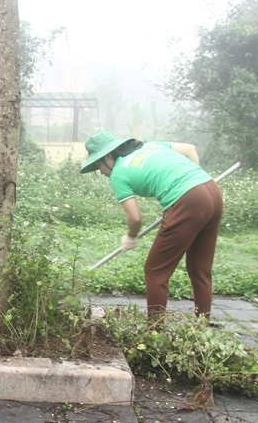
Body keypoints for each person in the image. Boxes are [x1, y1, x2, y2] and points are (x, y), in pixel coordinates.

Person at [81, 131, 224, 322]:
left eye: (98, 164)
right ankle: (201, 330)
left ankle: (154, 333)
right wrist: (194, 178)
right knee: (200, 270)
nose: (100, 171)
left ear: (109, 155)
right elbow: (190, 149)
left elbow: (135, 218)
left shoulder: (119, 174)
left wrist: (131, 237)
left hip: (188, 201)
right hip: (211, 190)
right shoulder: (150, 146)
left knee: (155, 271)